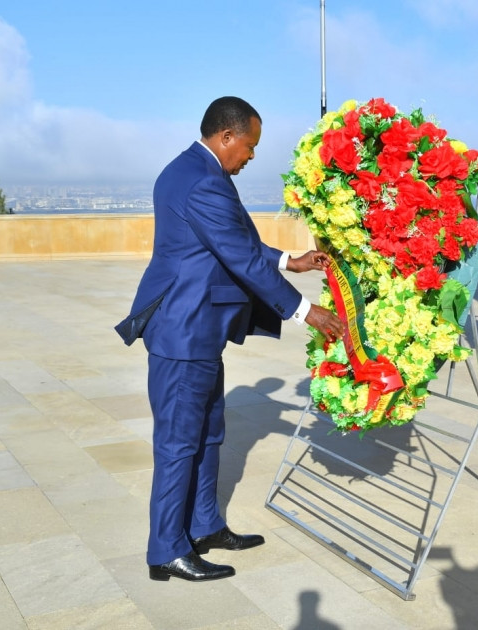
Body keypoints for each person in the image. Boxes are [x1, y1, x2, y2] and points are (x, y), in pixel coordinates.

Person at [115, 96, 343, 583]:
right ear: (226, 137)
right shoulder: (203, 181)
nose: (252, 155)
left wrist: (289, 261)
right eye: (250, 145)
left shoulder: (197, 170)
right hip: (184, 332)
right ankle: (167, 550)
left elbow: (235, 238)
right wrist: (306, 311)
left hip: (200, 332)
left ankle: (204, 526)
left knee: (209, 433)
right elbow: (238, 255)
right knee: (179, 444)